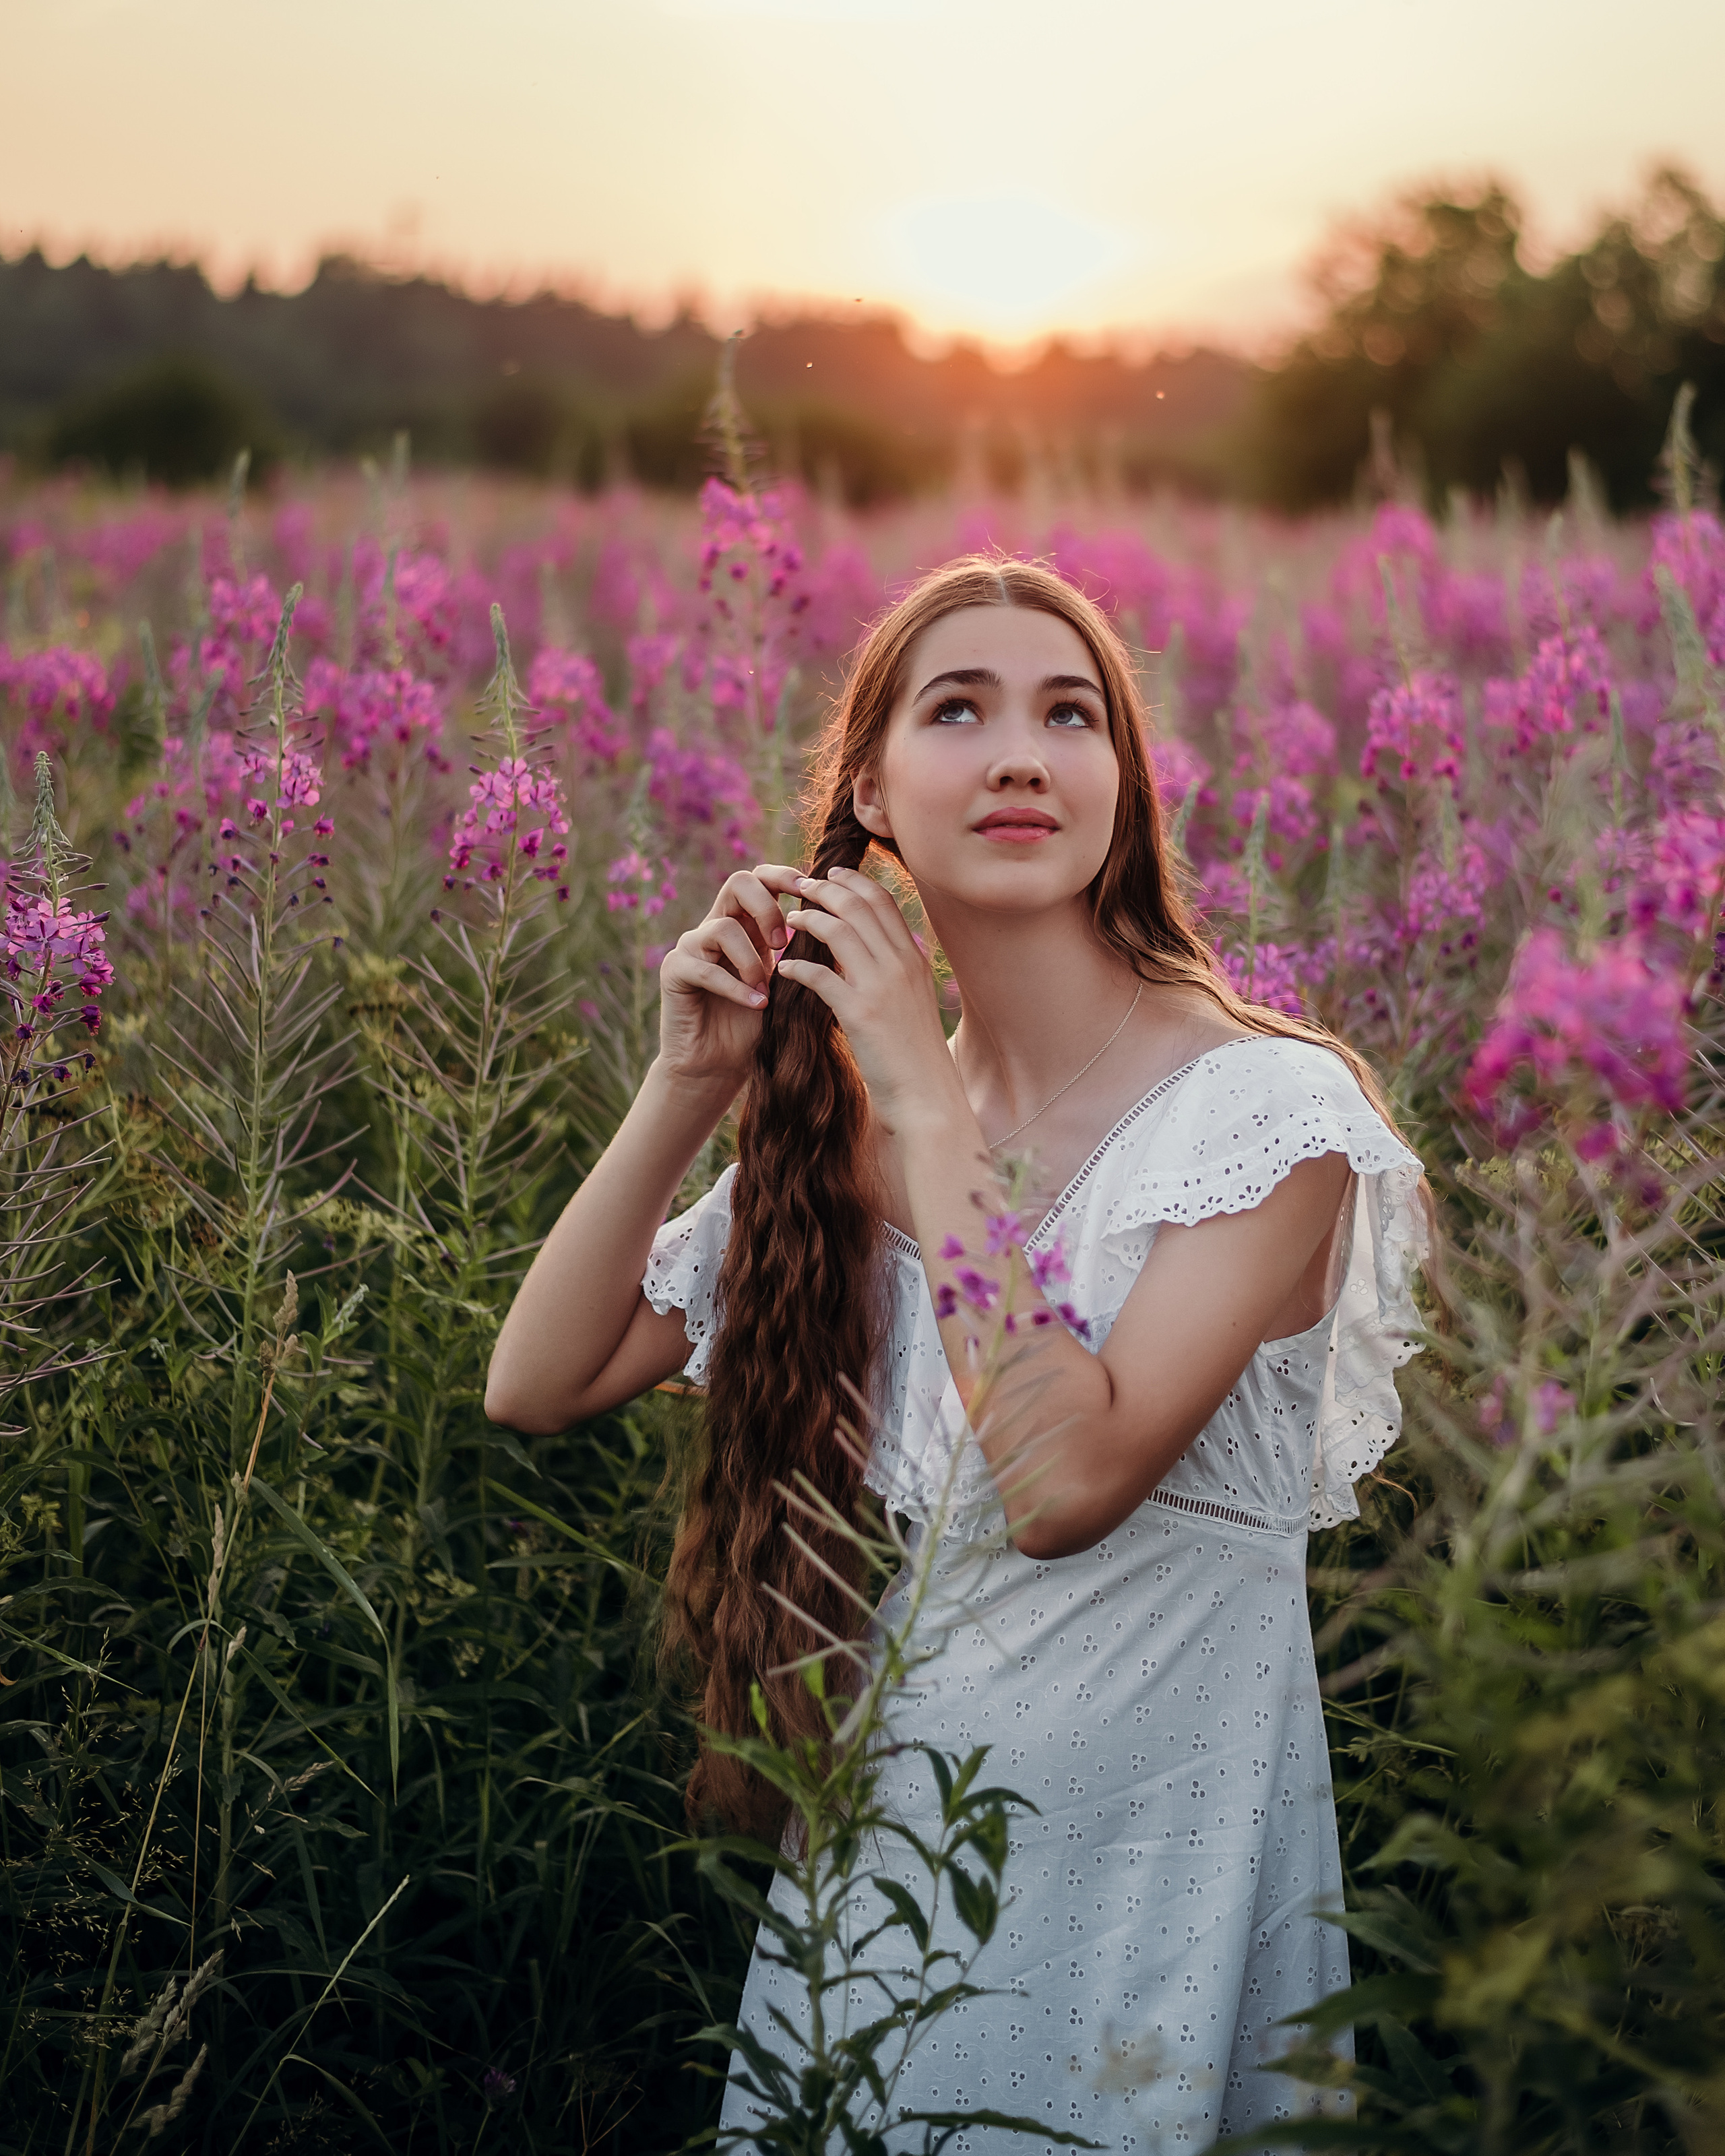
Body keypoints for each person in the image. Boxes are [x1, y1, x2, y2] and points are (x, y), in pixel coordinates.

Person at [486, 557, 1428, 2152]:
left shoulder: (1265, 1118)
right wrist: (687, 1085)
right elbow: (540, 1378)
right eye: (958, 709)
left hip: (1151, 1909)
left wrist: (917, 1090)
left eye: (1070, 714)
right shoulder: (844, 1141)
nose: (1017, 753)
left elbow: (1061, 1483)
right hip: (880, 1914)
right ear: (868, 790)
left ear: (1120, 788)